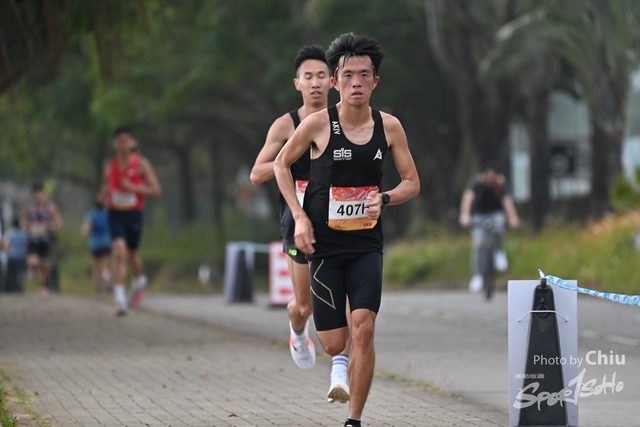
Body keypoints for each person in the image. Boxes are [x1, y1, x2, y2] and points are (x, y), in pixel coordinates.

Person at [274, 33, 420, 427]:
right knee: (335, 342)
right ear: (336, 82)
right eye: (348, 75)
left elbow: (412, 182)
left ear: (375, 81)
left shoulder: (389, 127)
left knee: (365, 329)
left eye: (364, 75)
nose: (357, 82)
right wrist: (299, 217)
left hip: (366, 244)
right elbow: (281, 165)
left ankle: (354, 419)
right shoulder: (318, 124)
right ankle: (336, 361)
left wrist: (384, 198)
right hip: (323, 246)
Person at [250, 45, 352, 404]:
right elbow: (256, 173)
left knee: (345, 299)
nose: (315, 82)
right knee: (305, 306)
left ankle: (340, 368)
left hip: (337, 220)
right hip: (298, 220)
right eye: (308, 76)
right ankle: (297, 330)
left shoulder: (343, 119)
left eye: (322, 75)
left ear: (333, 80)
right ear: (298, 83)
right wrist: (294, 152)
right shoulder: (286, 125)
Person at [101, 127, 161, 316]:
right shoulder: (109, 164)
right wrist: (103, 194)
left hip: (134, 214)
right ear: (114, 144)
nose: (122, 144)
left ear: (133, 143)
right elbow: (106, 186)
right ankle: (119, 299)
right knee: (119, 252)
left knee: (132, 255)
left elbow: (156, 191)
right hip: (115, 213)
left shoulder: (141, 164)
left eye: (126, 140)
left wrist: (133, 187)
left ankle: (138, 280)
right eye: (119, 140)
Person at [458, 161, 520, 296]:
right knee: (479, 244)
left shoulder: (500, 184)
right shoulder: (477, 183)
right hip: (480, 216)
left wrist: (513, 217)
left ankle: (499, 252)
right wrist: (465, 215)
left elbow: (507, 201)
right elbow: (468, 197)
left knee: (499, 228)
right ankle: (478, 275)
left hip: (496, 214)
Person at [19, 183, 64, 296]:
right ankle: (33, 269)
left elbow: (59, 221)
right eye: (37, 195)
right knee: (32, 261)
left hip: (45, 239)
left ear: (44, 195)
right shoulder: (30, 207)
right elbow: (21, 218)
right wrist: (25, 227)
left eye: (41, 195)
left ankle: (43, 286)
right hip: (33, 238)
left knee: (45, 264)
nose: (39, 197)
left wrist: (52, 226)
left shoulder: (50, 208)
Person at [81, 199, 112, 297]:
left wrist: (84, 231)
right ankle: (106, 277)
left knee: (96, 268)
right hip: (106, 243)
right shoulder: (106, 215)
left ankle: (98, 291)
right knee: (104, 266)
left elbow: (87, 227)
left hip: (95, 244)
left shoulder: (91, 215)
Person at [2, 218, 28, 292]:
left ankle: (11, 288)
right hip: (22, 256)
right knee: (21, 273)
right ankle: (19, 287)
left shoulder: (10, 233)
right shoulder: (23, 233)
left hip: (12, 256)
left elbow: (6, 244)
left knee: (11, 274)